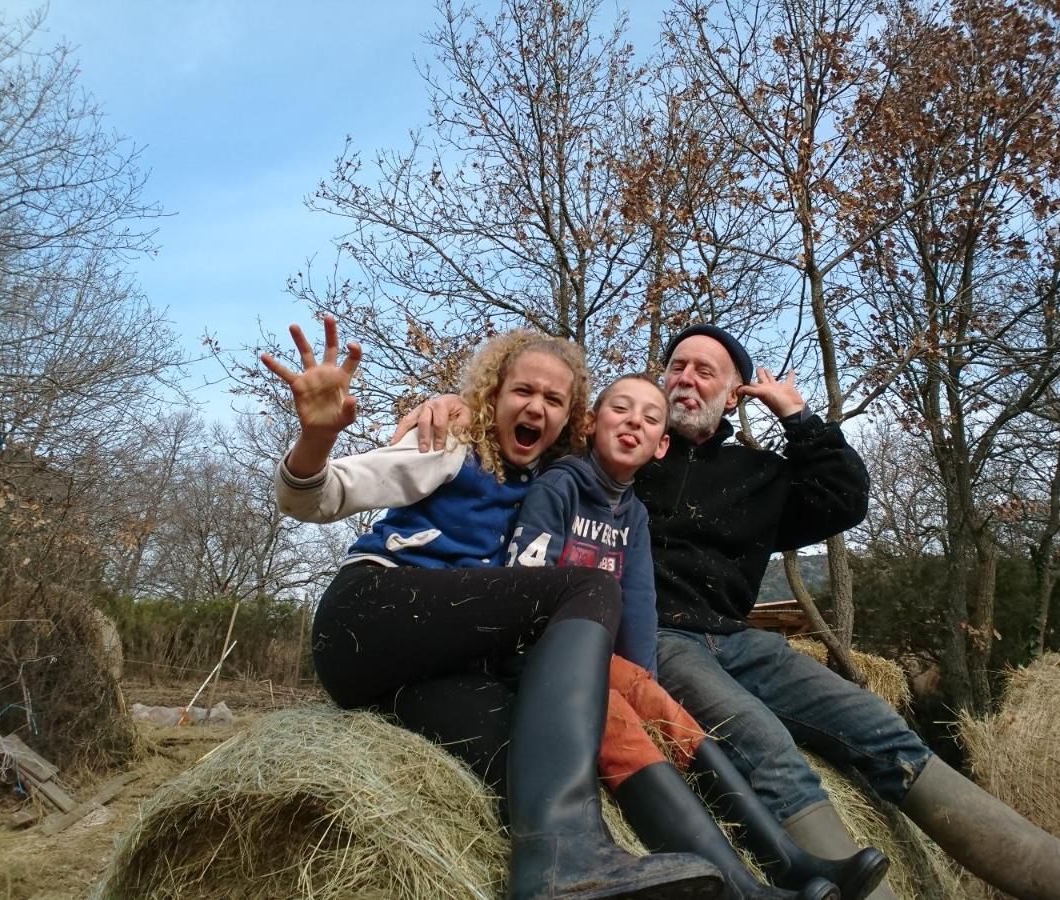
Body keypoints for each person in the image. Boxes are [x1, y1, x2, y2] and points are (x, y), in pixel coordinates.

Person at [398, 323, 1060, 900]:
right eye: (675, 364)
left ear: (733, 389)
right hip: (664, 642)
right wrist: (446, 403)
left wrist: (798, 417)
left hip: (741, 638)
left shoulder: (760, 476)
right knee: (767, 747)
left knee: (880, 729)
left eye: (706, 370)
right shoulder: (621, 458)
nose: (684, 379)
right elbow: (521, 417)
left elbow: (846, 496)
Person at [264, 318, 724, 900]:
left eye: (553, 399)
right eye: (522, 391)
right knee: (589, 587)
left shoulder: (553, 486)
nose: (535, 406)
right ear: (494, 396)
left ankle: (563, 866)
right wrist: (317, 439)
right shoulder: (452, 446)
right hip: (371, 613)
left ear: (571, 420)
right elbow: (316, 496)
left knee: (528, 757)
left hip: (418, 675)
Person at [506, 373, 886, 900]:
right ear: (591, 424)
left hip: (597, 657)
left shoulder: (633, 513)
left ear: (662, 444)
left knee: (672, 718)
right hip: (543, 655)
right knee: (621, 728)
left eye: (649, 417)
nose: (633, 422)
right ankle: (740, 887)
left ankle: (790, 860)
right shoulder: (561, 485)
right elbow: (524, 582)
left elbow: (639, 607)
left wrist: (647, 685)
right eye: (620, 410)